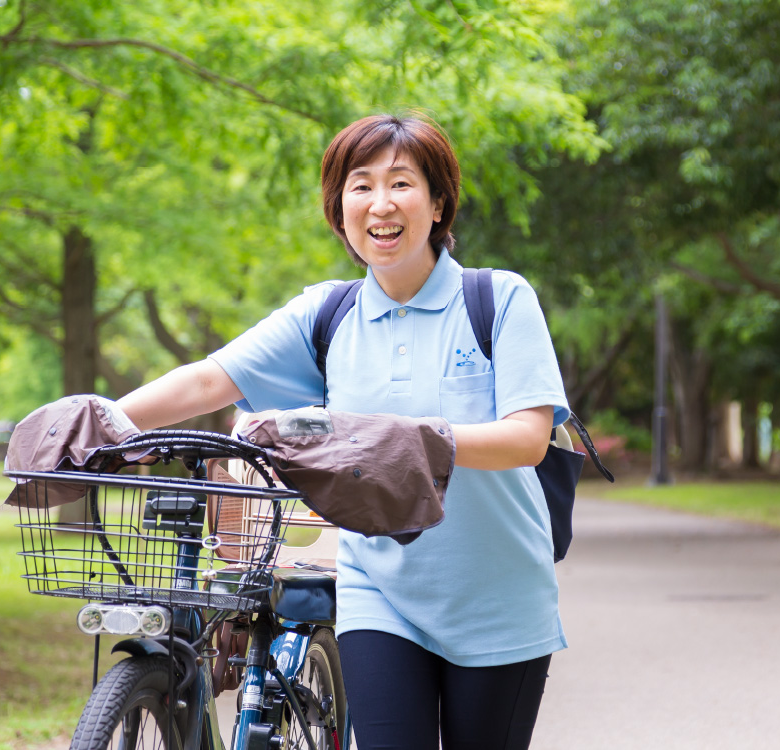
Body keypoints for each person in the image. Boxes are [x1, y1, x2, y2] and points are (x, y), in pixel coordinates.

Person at [116, 113, 569, 749]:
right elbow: (205, 382)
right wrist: (104, 419)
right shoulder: (328, 315)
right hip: (381, 594)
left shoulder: (498, 300)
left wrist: (415, 438)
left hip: (497, 599)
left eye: (402, 184)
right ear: (340, 210)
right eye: (360, 186)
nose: (380, 204)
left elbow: (528, 437)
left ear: (438, 204)